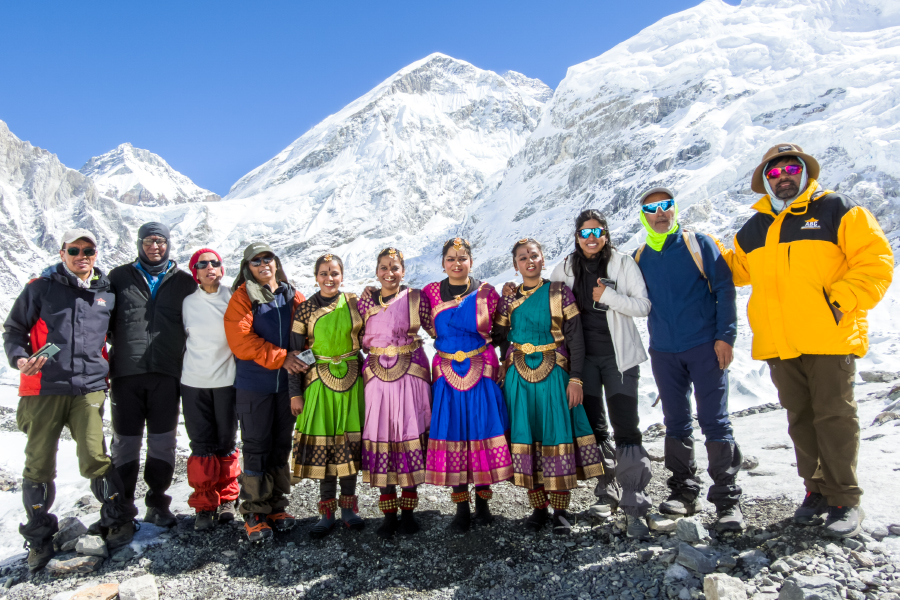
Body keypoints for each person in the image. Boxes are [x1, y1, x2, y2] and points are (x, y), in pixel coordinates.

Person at [723, 144, 893, 537]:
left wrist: (839, 301)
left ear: (803, 171)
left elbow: (876, 261)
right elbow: (736, 271)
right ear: (766, 179)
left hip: (829, 336)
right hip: (781, 343)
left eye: (790, 167)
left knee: (834, 417)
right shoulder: (755, 228)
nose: (783, 175)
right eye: (775, 170)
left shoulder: (838, 209)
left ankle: (844, 499)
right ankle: (815, 491)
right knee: (800, 419)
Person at [506, 211, 655, 538]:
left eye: (597, 231)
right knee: (594, 425)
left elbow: (643, 306)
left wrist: (609, 297)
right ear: (577, 236)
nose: (591, 237)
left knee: (625, 425)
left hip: (617, 357)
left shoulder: (621, 263)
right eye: (584, 231)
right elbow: (516, 319)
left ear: (605, 233)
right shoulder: (565, 270)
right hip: (575, 364)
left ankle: (634, 497)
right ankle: (608, 489)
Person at [3, 229, 136, 571]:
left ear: (95, 253)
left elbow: (117, 336)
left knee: (95, 455)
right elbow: (14, 330)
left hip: (89, 388)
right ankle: (38, 538)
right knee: (39, 463)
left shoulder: (106, 292)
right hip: (43, 388)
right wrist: (19, 359)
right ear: (62, 253)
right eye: (74, 250)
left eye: (88, 250)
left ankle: (116, 522)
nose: (81, 255)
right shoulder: (40, 287)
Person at [633, 187, 744, 531]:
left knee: (715, 420)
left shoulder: (698, 244)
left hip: (705, 347)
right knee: (676, 421)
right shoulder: (640, 257)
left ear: (674, 209)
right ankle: (684, 491)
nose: (661, 212)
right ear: (644, 216)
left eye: (666, 205)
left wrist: (726, 336)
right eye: (652, 208)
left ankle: (727, 499)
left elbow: (725, 287)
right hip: (664, 352)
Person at [493, 238, 604, 535]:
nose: (529, 261)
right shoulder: (509, 298)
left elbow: (575, 339)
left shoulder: (559, 293)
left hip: (554, 374)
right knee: (526, 436)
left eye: (533, 255)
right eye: (522, 258)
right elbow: (498, 334)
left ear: (543, 259)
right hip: (518, 377)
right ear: (515, 266)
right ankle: (538, 508)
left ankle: (561, 510)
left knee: (555, 436)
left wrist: (576, 378)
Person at [107, 222, 197, 528]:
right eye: (148, 241)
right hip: (125, 374)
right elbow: (102, 319)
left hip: (167, 373)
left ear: (168, 244)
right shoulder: (118, 277)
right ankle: (122, 506)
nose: (154, 246)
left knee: (163, 442)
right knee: (126, 442)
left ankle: (158, 502)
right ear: (139, 243)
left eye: (160, 241)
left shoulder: (185, 282)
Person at [423, 237, 512, 533]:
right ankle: (461, 508)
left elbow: (501, 333)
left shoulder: (487, 293)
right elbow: (421, 324)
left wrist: (505, 363)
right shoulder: (430, 294)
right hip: (447, 374)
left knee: (480, 432)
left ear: (471, 261)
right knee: (453, 435)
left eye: (462, 258)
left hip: (482, 370)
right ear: (443, 263)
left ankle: (484, 504)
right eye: (451, 258)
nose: (457, 263)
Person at [225, 242, 305, 542]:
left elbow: (308, 331)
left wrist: (306, 359)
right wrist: (283, 358)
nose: (263, 264)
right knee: (256, 445)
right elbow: (241, 340)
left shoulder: (292, 295)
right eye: (256, 261)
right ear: (248, 267)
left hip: (286, 387)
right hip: (254, 385)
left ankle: (276, 506)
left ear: (276, 261)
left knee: (280, 444)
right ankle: (255, 512)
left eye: (267, 258)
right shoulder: (243, 297)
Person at [356, 247, 434, 539]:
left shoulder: (416, 298)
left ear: (404, 271)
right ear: (376, 271)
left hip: (411, 372)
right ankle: (388, 513)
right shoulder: (363, 301)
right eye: (384, 267)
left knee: (407, 433)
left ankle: (409, 512)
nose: (389, 273)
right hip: (376, 376)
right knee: (382, 435)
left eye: (395, 267)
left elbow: (440, 328)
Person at [289, 253, 366, 539]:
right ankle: (326, 512)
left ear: (342, 275)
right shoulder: (305, 309)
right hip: (317, 385)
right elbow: (295, 356)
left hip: (351, 384)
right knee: (327, 448)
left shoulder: (354, 304)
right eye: (323, 273)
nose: (329, 278)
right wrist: (295, 393)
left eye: (334, 273)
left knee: (346, 444)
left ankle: (348, 508)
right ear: (316, 276)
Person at [181, 248, 240, 531]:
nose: (209, 268)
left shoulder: (233, 297)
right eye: (202, 264)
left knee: (226, 442)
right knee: (201, 444)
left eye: (214, 263)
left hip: (227, 381)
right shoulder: (186, 303)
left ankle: (228, 499)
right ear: (195, 272)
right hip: (193, 381)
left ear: (221, 268)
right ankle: (204, 504)